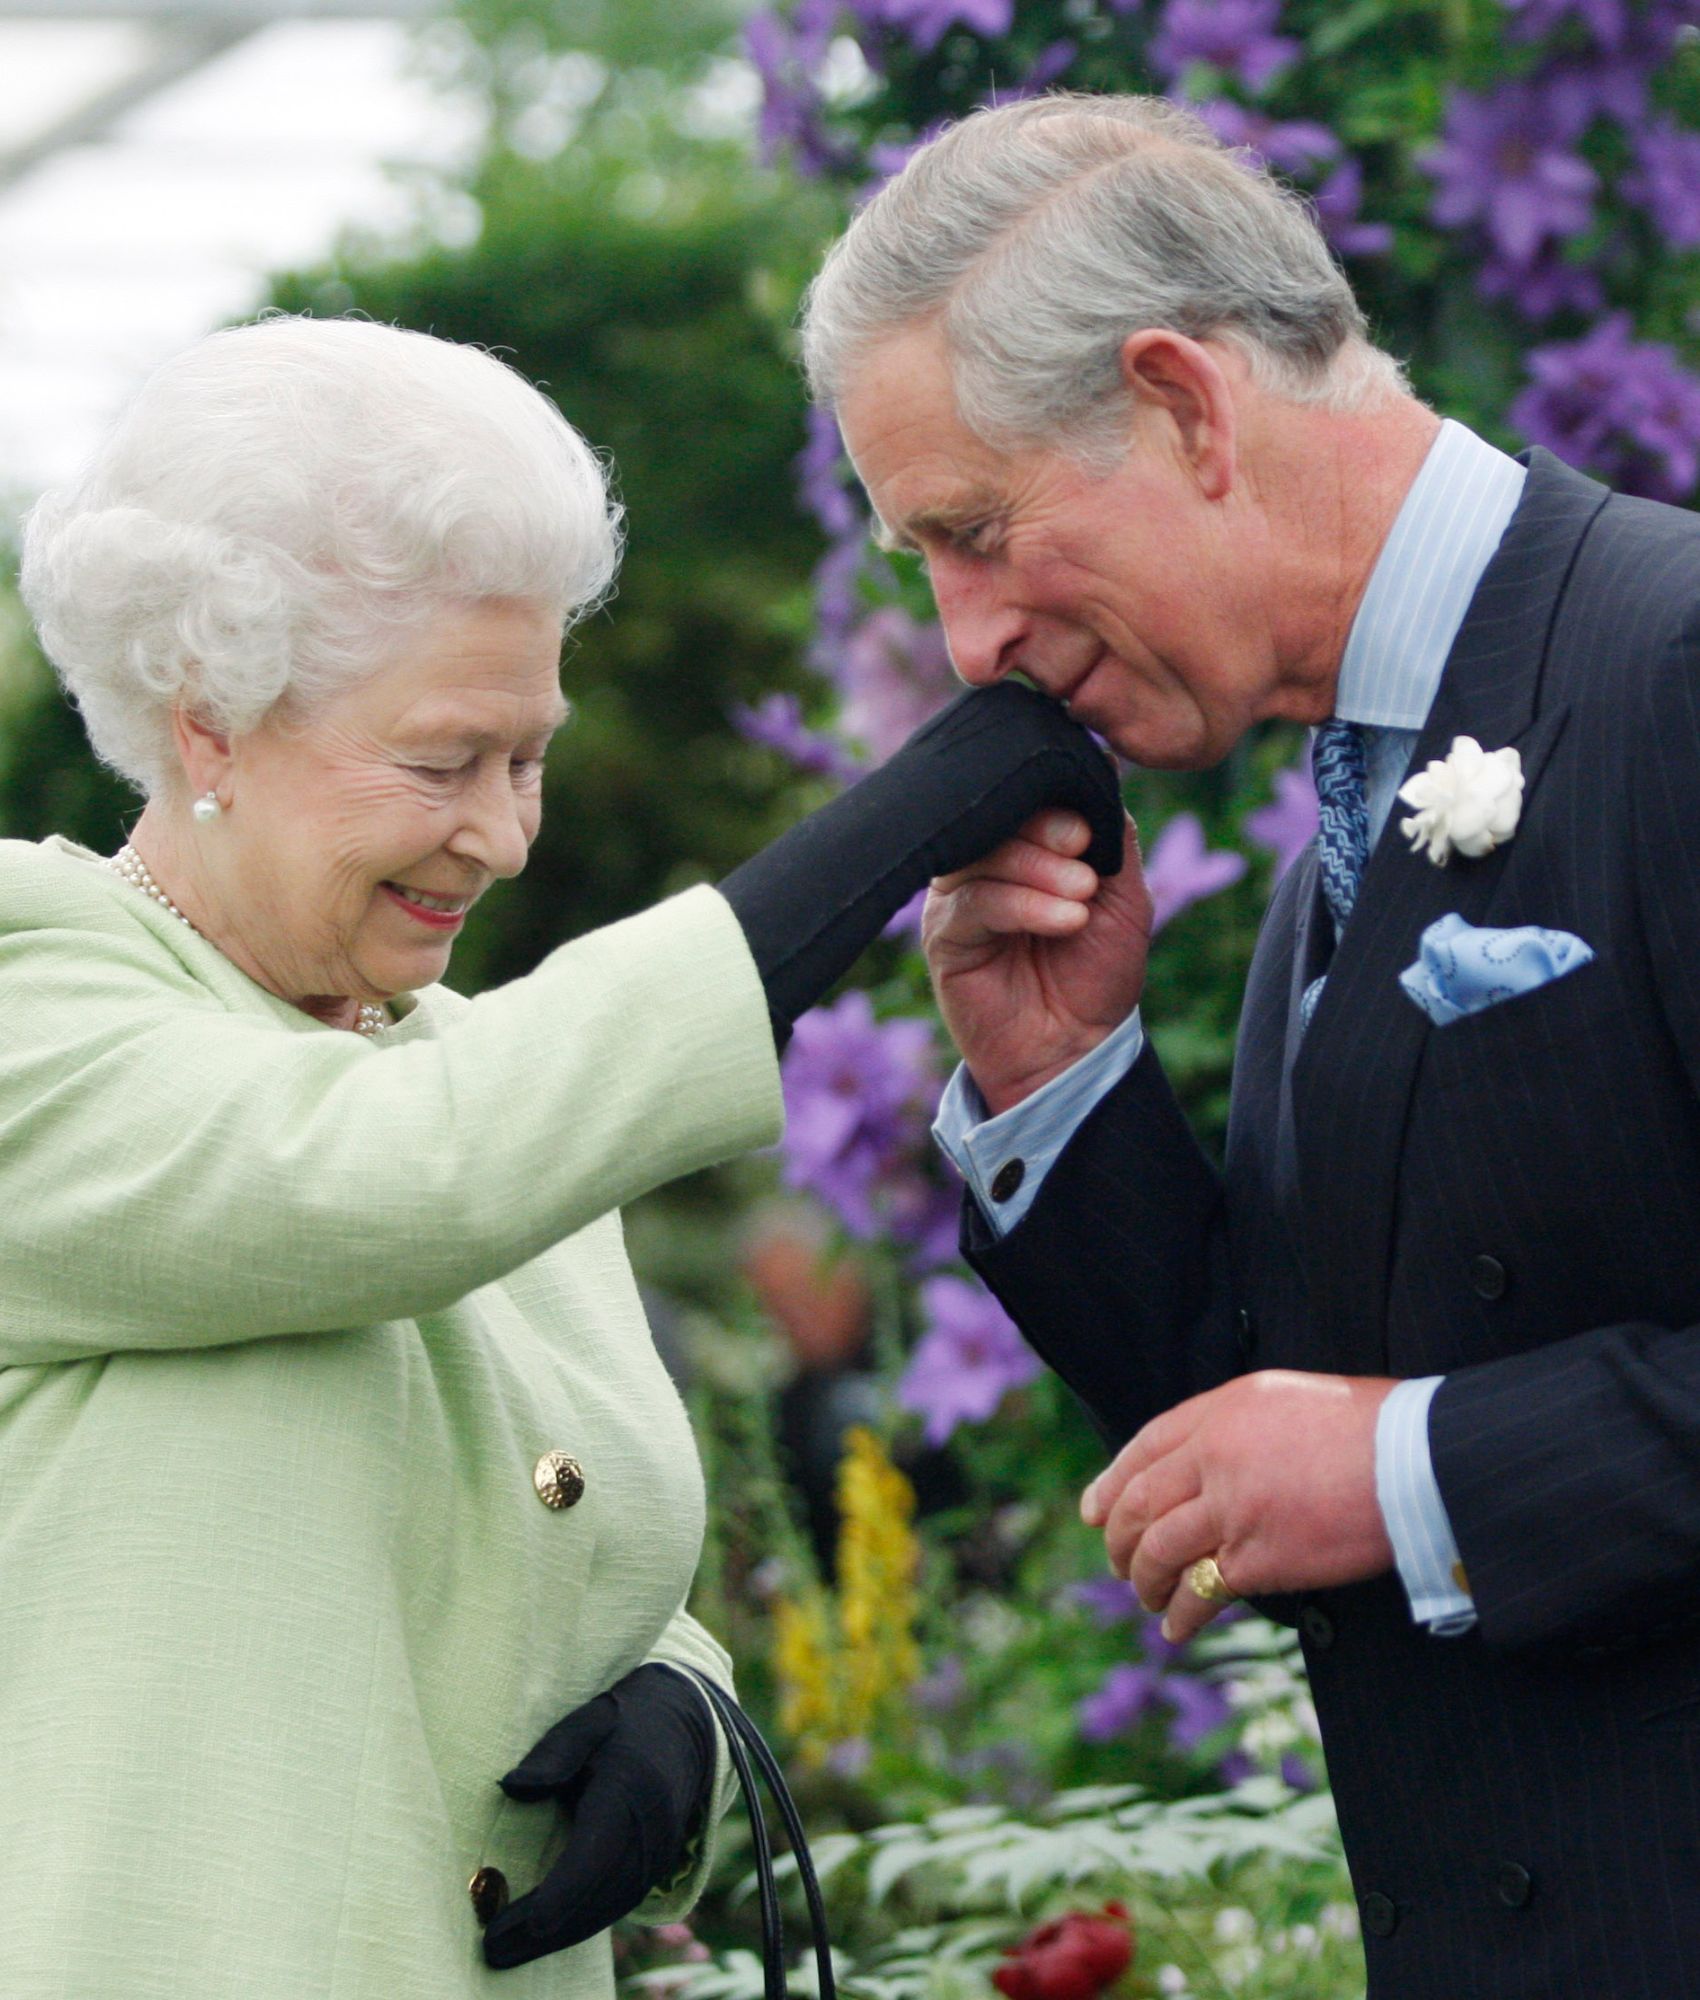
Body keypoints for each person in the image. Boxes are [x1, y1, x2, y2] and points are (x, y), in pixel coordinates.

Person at [0, 313, 1121, 1999]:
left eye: (527, 756)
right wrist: (894, 831)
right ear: (208, 720)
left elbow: (525, 1535)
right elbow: (387, 1184)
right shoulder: (43, 994)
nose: (505, 833)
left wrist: (676, 1703)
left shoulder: (476, 1081)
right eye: (442, 761)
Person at [804, 89, 1700, 1999]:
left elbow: (1368, 1459)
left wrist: (1420, 1474)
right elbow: (1262, 1443)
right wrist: (1063, 1089)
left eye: (974, 531)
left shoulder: (1674, 662)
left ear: (1186, 406)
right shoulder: (1346, 804)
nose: (964, 641)